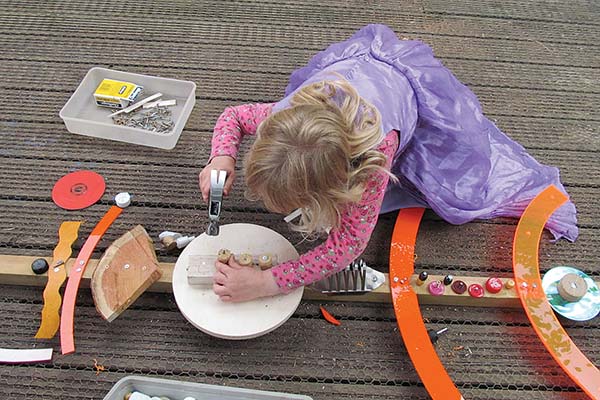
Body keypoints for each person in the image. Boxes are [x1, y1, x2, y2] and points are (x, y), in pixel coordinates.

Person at [198, 24, 578, 303]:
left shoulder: (372, 160)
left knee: (457, 191)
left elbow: (345, 248)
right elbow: (233, 116)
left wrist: (267, 284)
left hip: (400, 97)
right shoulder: (283, 117)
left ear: (337, 188)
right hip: (356, 74)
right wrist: (222, 155)